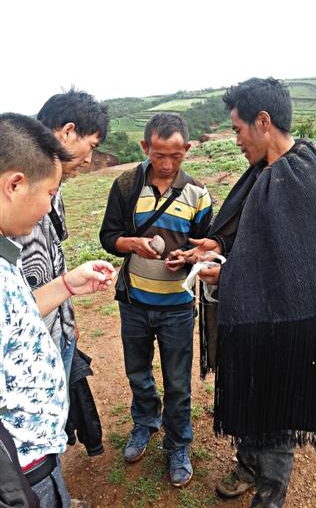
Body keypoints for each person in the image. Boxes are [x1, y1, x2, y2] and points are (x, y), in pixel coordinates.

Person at [186, 78, 316, 507]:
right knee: (250, 390)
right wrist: (218, 246)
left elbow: (294, 264)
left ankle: (270, 492)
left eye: (239, 129)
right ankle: (248, 462)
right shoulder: (263, 172)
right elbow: (251, 236)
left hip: (288, 323)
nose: (237, 139)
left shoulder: (300, 172)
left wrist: (228, 278)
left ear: (263, 122)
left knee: (276, 404)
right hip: (255, 315)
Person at [0, 113, 116, 507]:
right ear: (14, 185)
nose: (51, 206)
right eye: (50, 193)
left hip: (35, 457)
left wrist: (67, 285)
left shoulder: (4, 252)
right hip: (19, 471)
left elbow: (16, 315)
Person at [100, 113, 212, 487]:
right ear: (145, 148)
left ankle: (178, 443)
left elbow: (206, 249)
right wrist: (133, 244)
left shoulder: (198, 194)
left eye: (175, 156)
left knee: (178, 382)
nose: (166, 165)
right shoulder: (126, 184)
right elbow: (108, 236)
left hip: (177, 308)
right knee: (138, 373)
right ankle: (145, 423)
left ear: (187, 150)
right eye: (159, 155)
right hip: (134, 302)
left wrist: (190, 258)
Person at [13, 89, 108, 382]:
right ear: (67, 132)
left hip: (57, 330)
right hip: (23, 351)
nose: (90, 160)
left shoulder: (54, 187)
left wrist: (68, 320)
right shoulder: (18, 189)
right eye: (90, 146)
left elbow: (55, 257)